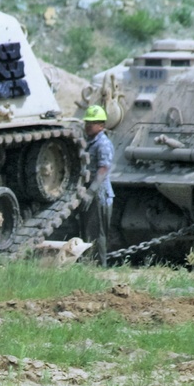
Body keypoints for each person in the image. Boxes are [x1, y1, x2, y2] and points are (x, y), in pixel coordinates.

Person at [80, 104, 115, 266]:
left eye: (91, 123)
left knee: (98, 233)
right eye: (87, 122)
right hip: (90, 193)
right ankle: (88, 264)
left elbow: (103, 169)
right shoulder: (89, 141)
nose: (87, 125)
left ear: (101, 125)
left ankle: (100, 267)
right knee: (87, 230)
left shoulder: (103, 143)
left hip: (100, 194)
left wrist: (91, 191)